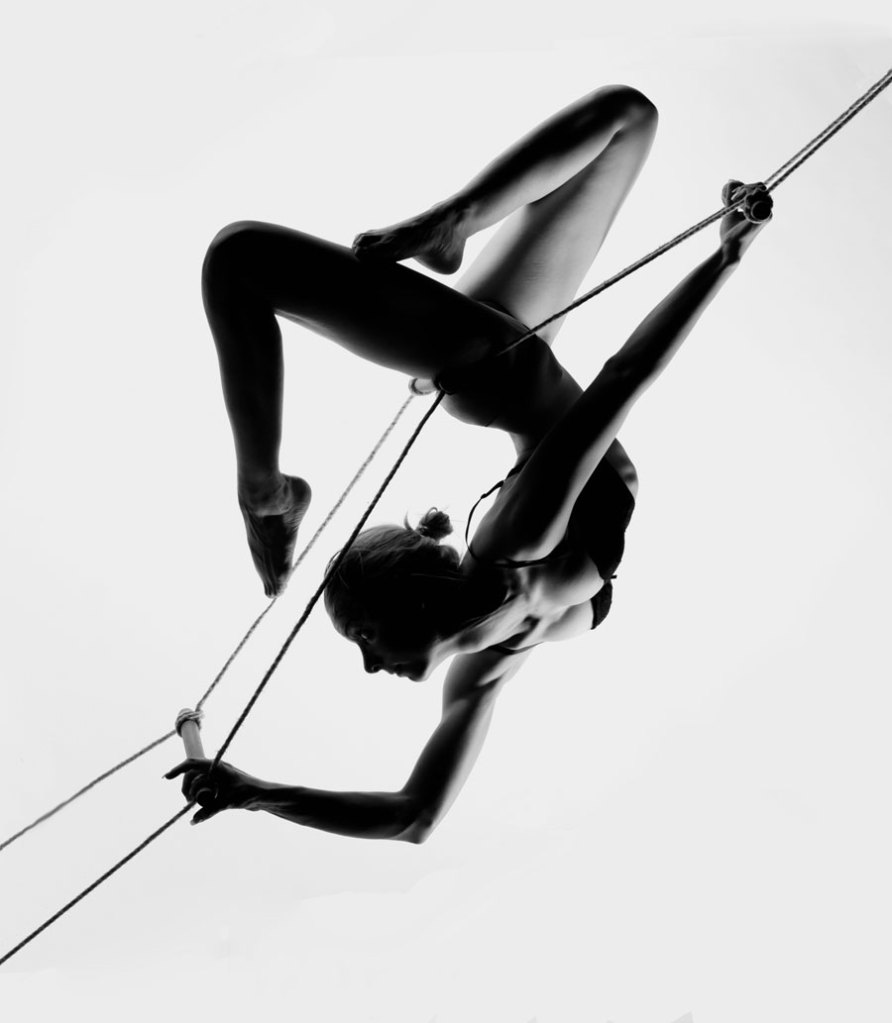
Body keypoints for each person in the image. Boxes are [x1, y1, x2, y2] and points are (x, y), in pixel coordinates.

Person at [166, 84, 770, 841]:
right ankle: (452, 230)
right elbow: (413, 817)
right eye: (362, 638)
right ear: (417, 604)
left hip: (491, 369)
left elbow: (616, 388)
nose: (369, 666)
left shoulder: (512, 551)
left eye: (363, 640)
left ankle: (270, 486)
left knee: (239, 260)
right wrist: (259, 794)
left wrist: (725, 255)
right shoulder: (498, 634)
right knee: (630, 120)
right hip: (503, 362)